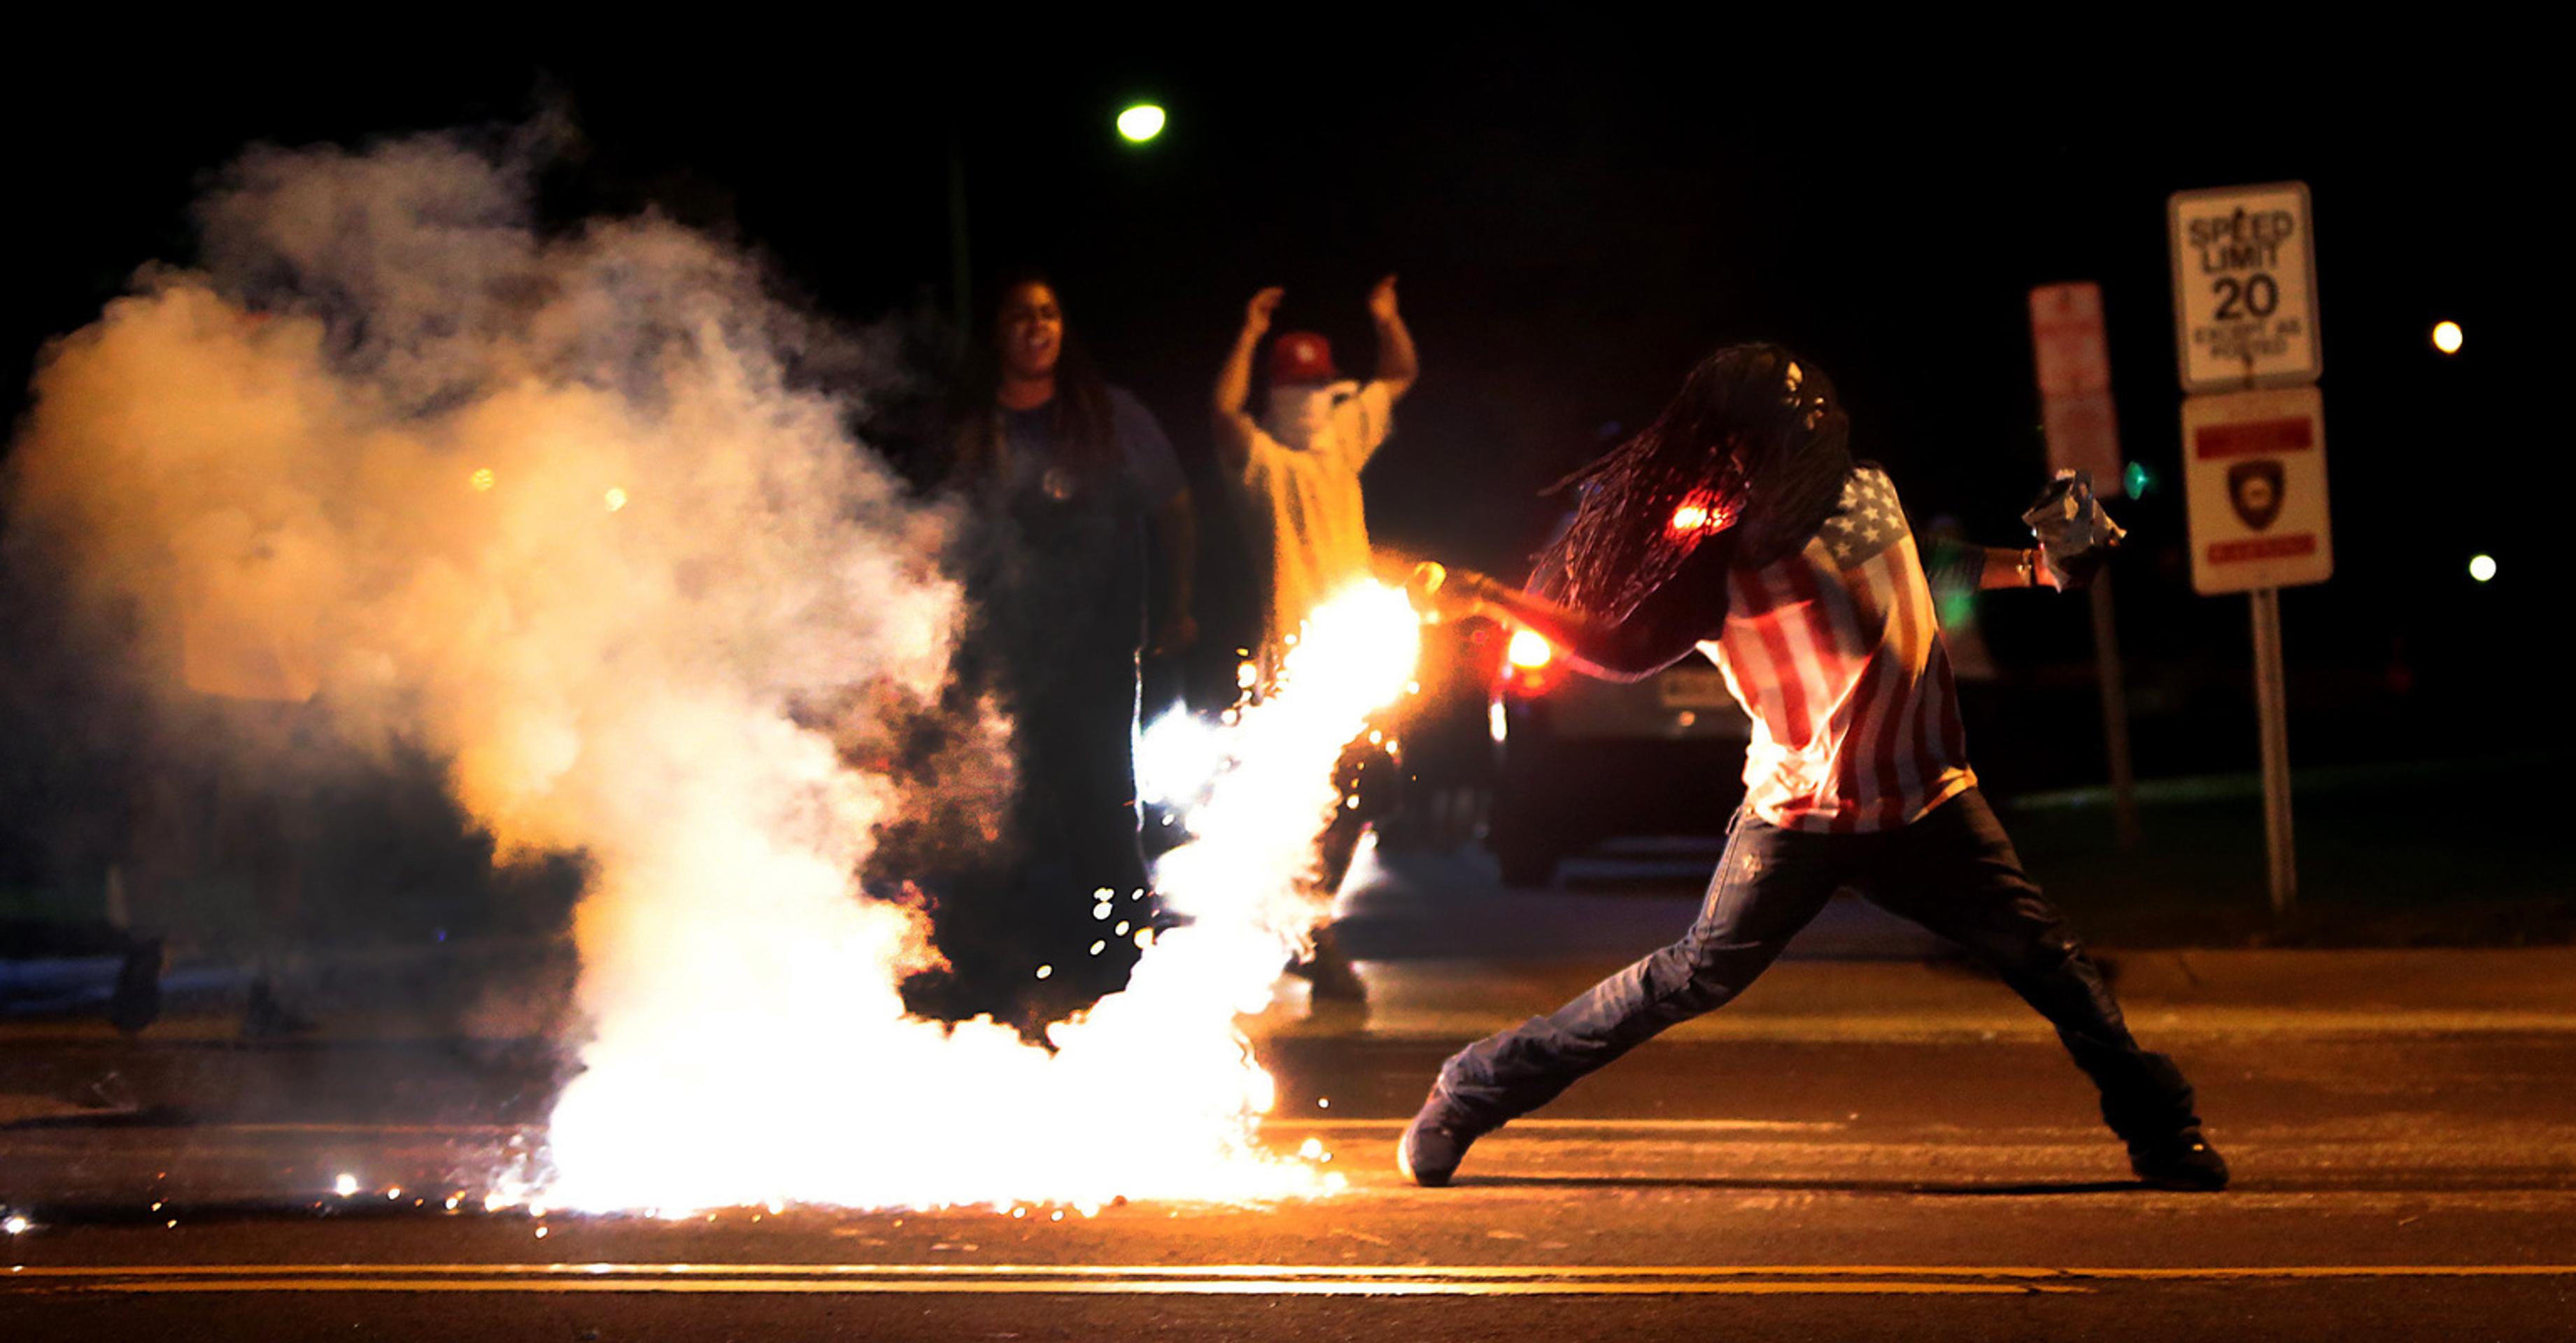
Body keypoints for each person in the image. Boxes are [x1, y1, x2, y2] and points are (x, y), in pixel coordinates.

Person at [1395, 343, 2227, 1192]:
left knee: (2049, 961)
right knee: (1687, 979)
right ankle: (1472, 1088)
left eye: (1811, 423)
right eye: (1786, 431)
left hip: (1925, 801)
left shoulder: (1864, 485)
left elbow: (1919, 556)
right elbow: (1624, 651)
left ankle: (2164, 1133)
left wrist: (2039, 568)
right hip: (1800, 818)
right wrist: (1490, 597)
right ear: (1735, 448)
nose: (1810, 438)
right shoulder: (1717, 552)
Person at [929, 273, 1196, 1032]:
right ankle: (981, 979)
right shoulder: (974, 427)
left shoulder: (1111, 418)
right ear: (998, 333)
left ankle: (1120, 973)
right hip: (999, 654)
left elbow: (1175, 510)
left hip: (1097, 652)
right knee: (992, 814)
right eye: (1020, 315)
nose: (1036, 327)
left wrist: (1175, 608)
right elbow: (944, 532)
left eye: (1049, 313)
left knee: (1102, 813)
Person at [1212, 276, 1420, 1003]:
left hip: (1356, 661)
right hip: (1293, 672)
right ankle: (1313, 936)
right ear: (1277, 394)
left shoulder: (1342, 448)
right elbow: (1222, 412)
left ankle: (1306, 922)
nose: (1307, 398)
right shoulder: (1266, 466)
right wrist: (1248, 334)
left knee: (1365, 798)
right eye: (1294, 386)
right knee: (1305, 804)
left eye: (1317, 384)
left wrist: (1385, 319)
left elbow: (1399, 374)